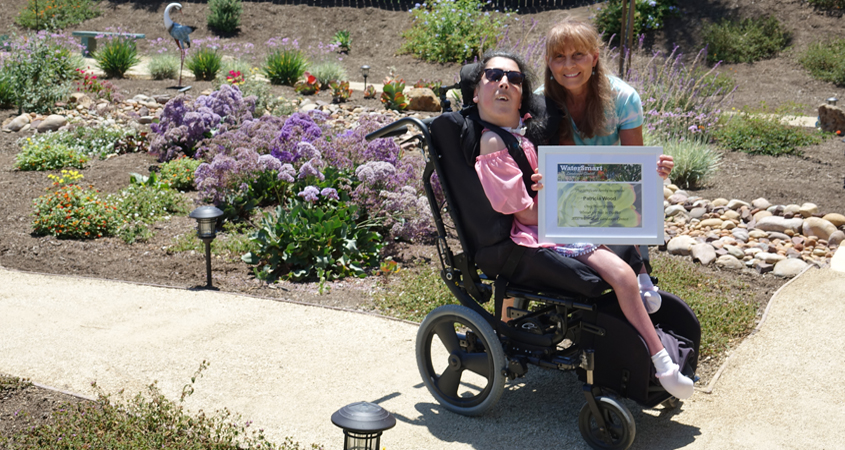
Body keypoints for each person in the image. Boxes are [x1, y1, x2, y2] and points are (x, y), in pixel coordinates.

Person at [470, 49, 693, 399]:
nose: (504, 84)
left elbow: (586, 173)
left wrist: (645, 172)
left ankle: (643, 284)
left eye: (514, 79)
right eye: (493, 76)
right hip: (536, 232)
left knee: (623, 211)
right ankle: (661, 361)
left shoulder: (522, 134)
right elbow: (526, 214)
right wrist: (557, 194)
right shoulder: (493, 142)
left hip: (554, 219)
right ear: (475, 92)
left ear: (522, 94)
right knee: (618, 273)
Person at [541, 17, 673, 312]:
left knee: (629, 198)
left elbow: (634, 166)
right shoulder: (541, 101)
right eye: (559, 57)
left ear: (595, 57)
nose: (569, 65)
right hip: (565, 193)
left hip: (611, 188)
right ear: (549, 62)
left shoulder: (623, 98)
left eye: (578, 55)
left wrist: (655, 171)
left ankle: (641, 271)